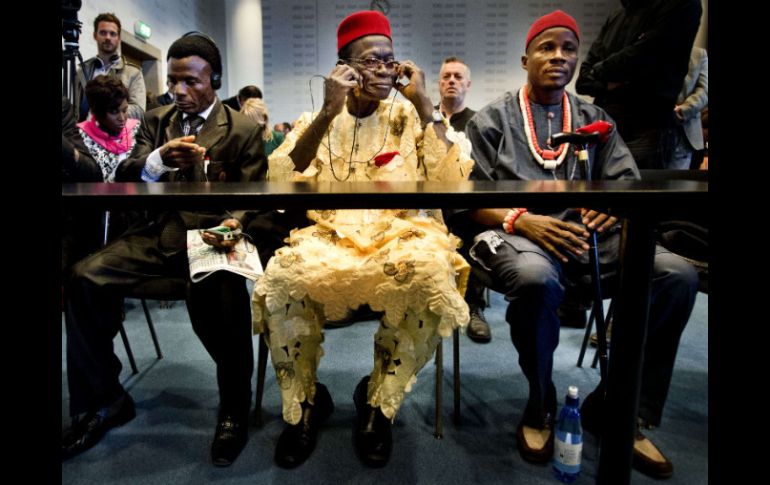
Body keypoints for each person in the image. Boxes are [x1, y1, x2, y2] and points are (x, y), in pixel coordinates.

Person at [451, 10, 698, 479]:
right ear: (526, 59)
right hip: (517, 236)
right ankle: (540, 405)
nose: (559, 57)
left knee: (675, 275)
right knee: (536, 278)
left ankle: (620, 407)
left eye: (569, 49)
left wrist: (617, 206)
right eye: (547, 48)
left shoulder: (594, 118)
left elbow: (627, 185)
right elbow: (464, 201)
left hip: (592, 238)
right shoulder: (491, 120)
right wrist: (523, 221)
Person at [251, 10, 474, 469]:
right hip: (330, 234)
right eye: (370, 61)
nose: (384, 71)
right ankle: (307, 405)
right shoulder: (319, 115)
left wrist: (427, 109)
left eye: (389, 61)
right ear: (343, 70)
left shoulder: (409, 116)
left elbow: (450, 180)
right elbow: (282, 179)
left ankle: (378, 404)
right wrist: (328, 112)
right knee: (283, 275)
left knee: (433, 271)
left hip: (398, 234)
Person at [62, 32, 269, 467]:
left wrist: (236, 222)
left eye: (192, 81)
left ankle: (233, 407)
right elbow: (127, 172)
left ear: (214, 77)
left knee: (224, 295)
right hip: (155, 234)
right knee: (84, 278)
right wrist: (157, 160)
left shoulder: (243, 129)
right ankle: (104, 400)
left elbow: (255, 193)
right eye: (174, 81)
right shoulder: (155, 121)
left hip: (215, 236)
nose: (180, 91)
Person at [575, 0, 702, 169]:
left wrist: (599, 71)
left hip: (647, 129)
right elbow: (583, 81)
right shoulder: (617, 15)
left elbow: (644, 58)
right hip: (605, 127)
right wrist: (609, 81)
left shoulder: (680, 5)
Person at [435, 56, 491, 343]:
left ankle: (474, 306)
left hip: (464, 202)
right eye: (446, 76)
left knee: (473, 226)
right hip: (428, 199)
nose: (452, 81)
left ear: (467, 84)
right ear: (438, 83)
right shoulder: (424, 117)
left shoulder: (480, 122)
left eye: (458, 77)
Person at [77, 13, 146, 122]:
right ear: (95, 35)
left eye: (112, 34)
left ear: (118, 38)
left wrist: (108, 112)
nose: (108, 37)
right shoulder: (81, 71)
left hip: (118, 136)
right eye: (103, 33)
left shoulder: (133, 73)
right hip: (83, 135)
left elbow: (139, 111)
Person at [78, 76, 140, 182]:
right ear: (97, 112)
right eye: (114, 112)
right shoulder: (81, 136)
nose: (122, 118)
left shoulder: (138, 130)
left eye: (124, 110)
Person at [671, 46, 708, 170]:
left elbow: (704, 91)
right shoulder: (652, 49)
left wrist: (684, 110)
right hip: (650, 133)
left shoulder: (699, 54)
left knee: (675, 184)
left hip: (683, 130)